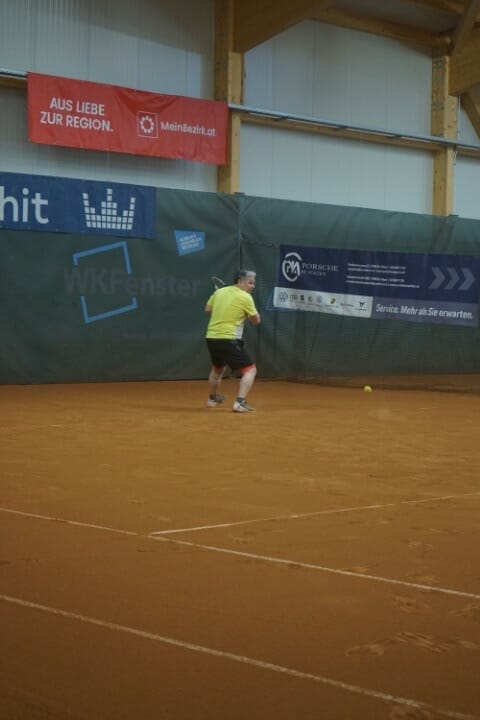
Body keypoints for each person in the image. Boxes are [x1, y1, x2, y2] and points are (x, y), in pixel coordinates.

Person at [204, 270, 261, 413]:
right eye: (250, 283)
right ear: (240, 281)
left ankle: (212, 399)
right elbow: (256, 321)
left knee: (218, 368)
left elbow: (208, 309)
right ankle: (240, 403)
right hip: (229, 339)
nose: (253, 286)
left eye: (254, 283)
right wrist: (246, 314)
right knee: (250, 370)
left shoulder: (219, 292)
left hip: (211, 338)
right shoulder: (246, 297)